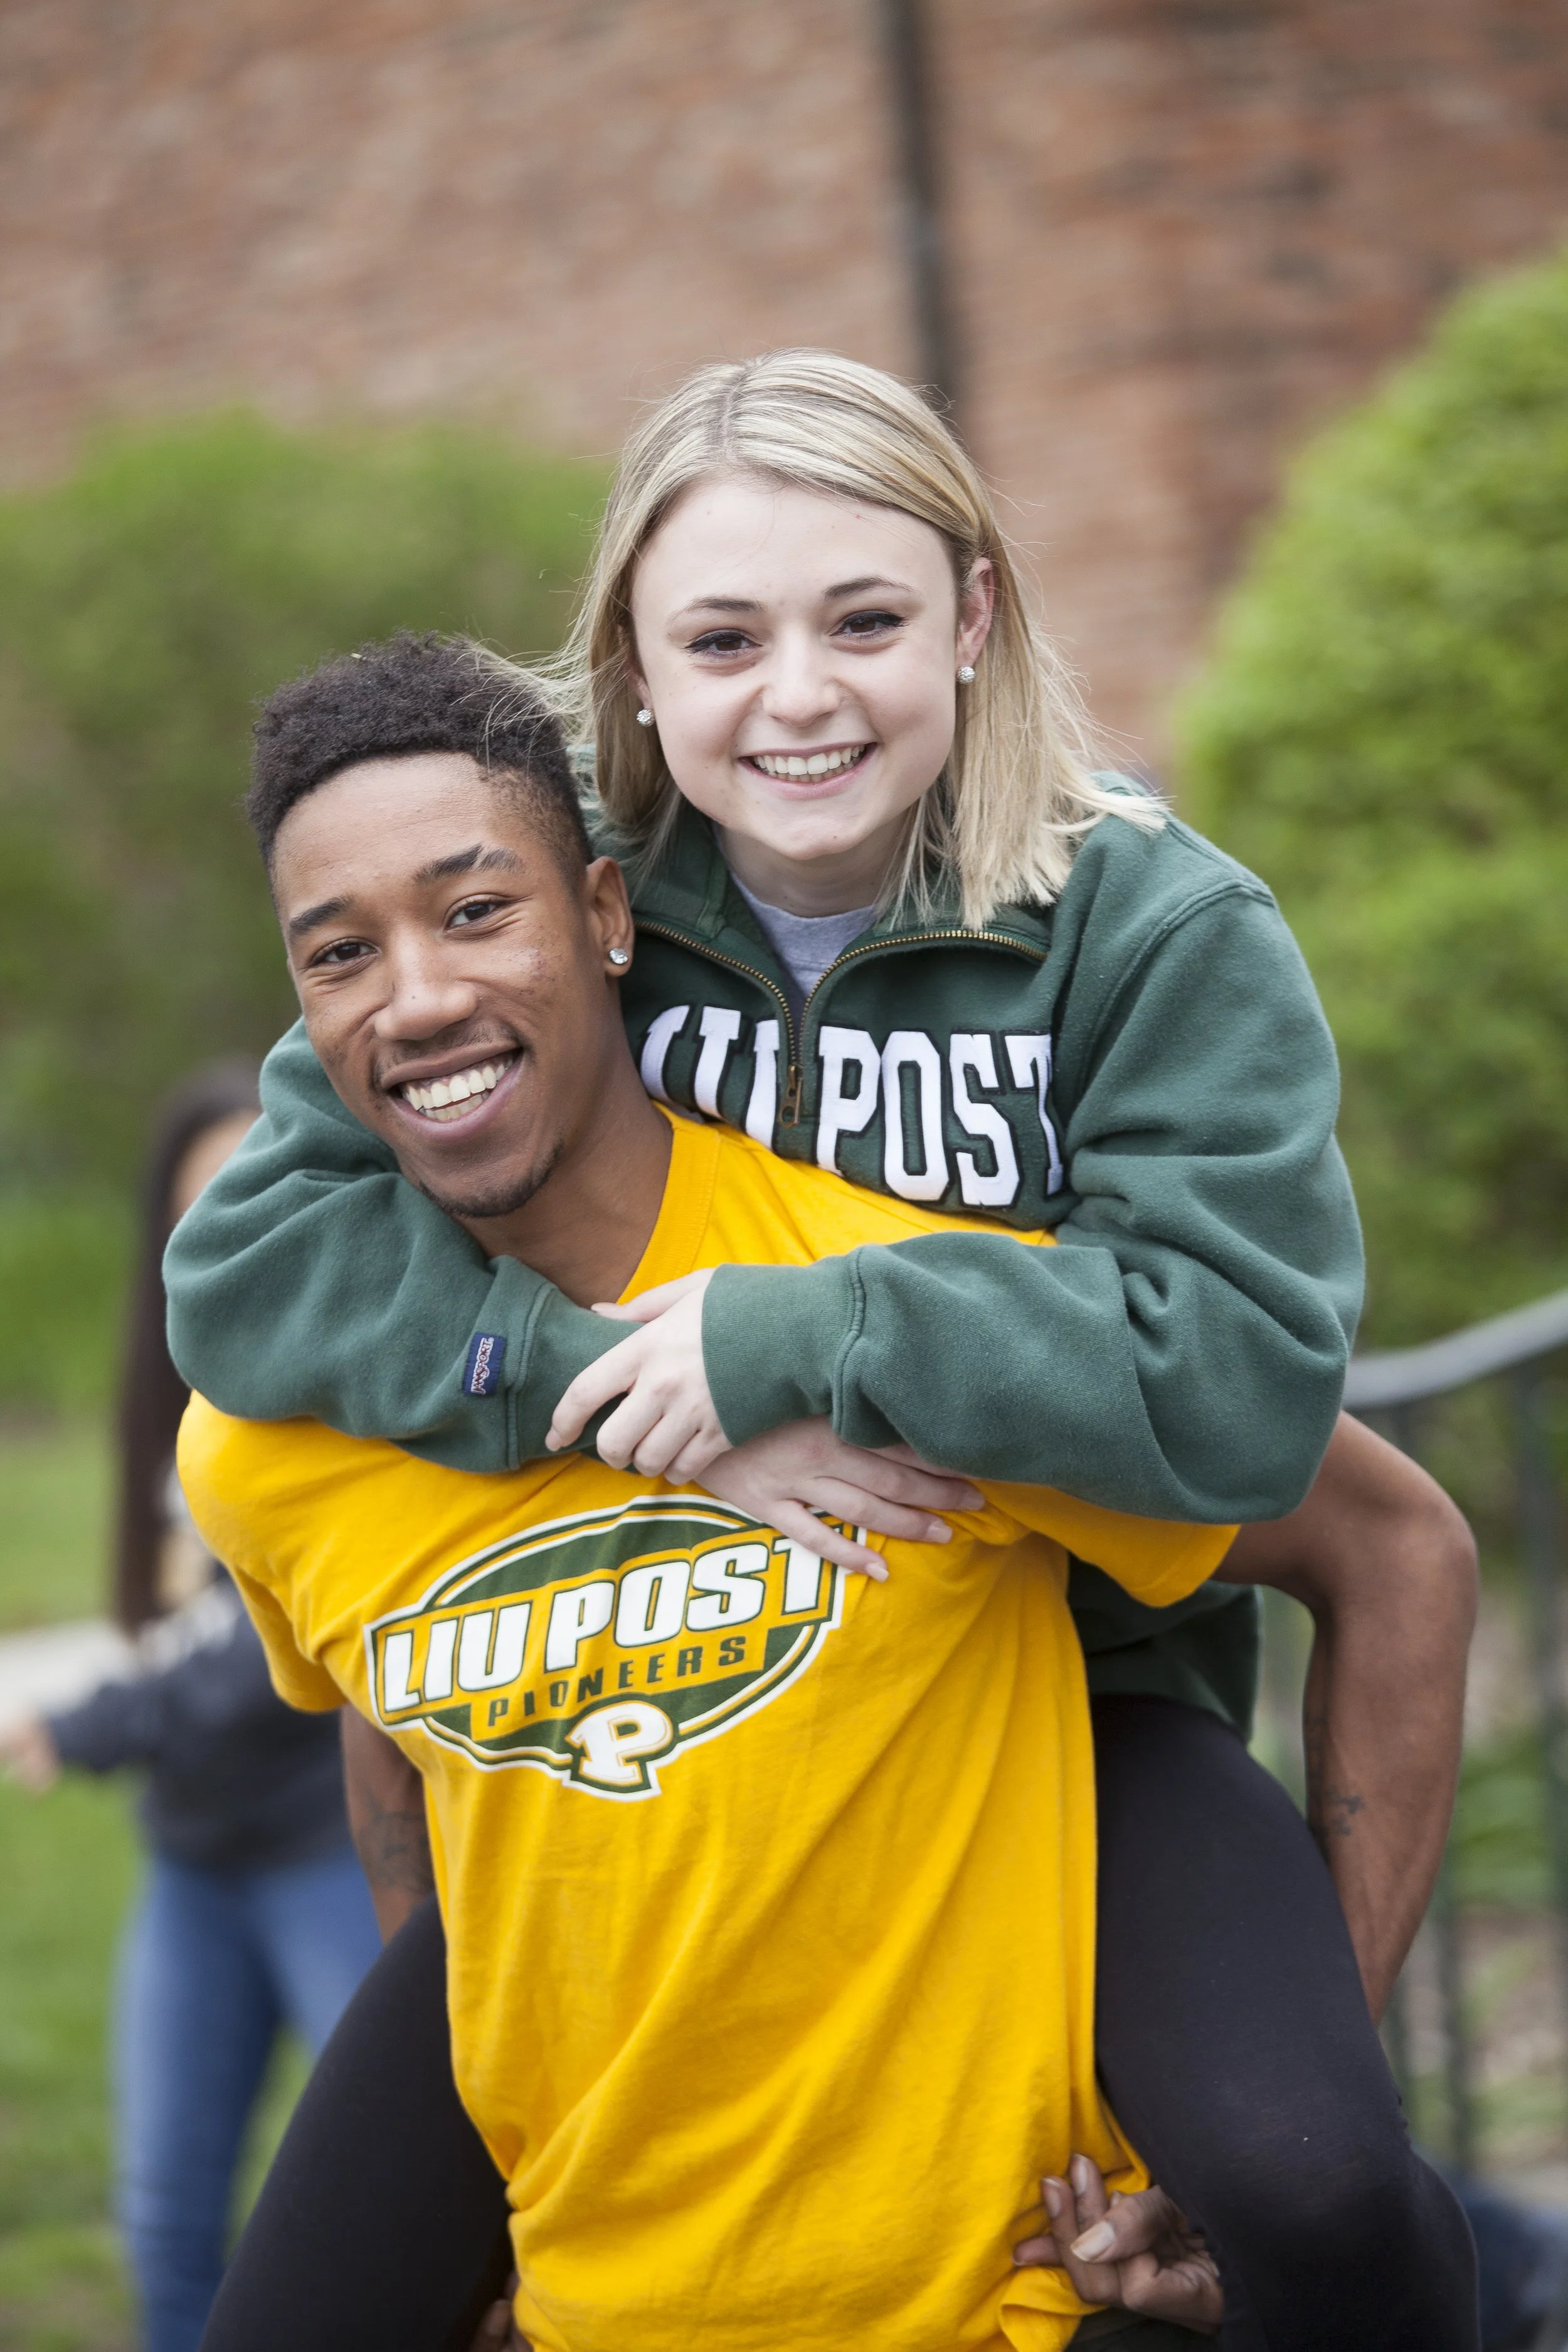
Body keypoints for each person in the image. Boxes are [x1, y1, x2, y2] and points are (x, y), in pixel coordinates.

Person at [161, 354, 1477, 2347]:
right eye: (722, 636)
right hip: (640, 1690)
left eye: (863, 619)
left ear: (969, 616)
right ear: (636, 661)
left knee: (1319, 2186)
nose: (797, 696)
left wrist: (803, 1334)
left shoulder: (1143, 923)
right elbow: (250, 1261)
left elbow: (1240, 1377)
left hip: (1056, 1681)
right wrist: (628, 1397)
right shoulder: (544, 890)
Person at [0, 1066, 383, 2352]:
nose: (221, 1216)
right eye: (191, 1197)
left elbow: (257, 1656)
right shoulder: (173, 1385)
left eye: (248, 1180)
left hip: (324, 1855)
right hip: (191, 1866)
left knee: (393, 2229)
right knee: (166, 2223)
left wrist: (85, 1725)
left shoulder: (339, 1375)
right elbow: (175, 1623)